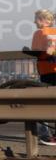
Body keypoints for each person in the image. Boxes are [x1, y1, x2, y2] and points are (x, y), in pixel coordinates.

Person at [29, 9, 56, 146]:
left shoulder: (38, 33)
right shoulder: (55, 32)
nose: (35, 22)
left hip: (46, 71)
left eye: (37, 19)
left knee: (44, 103)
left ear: (45, 20)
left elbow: (36, 51)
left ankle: (45, 135)